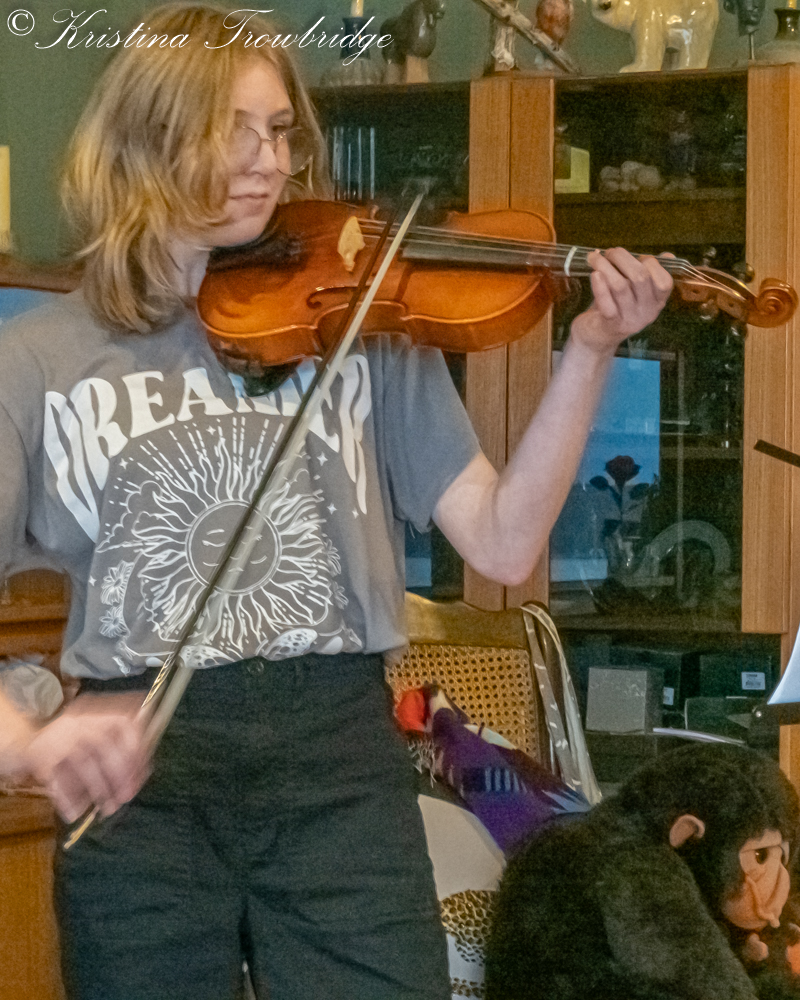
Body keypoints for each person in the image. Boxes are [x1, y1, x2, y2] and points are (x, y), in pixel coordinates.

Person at [2, 4, 673, 999]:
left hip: (339, 768)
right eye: (232, 129)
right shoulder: (38, 358)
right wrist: (31, 740)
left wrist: (590, 349)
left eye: (280, 130)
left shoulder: (361, 321)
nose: (269, 161)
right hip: (143, 784)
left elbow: (503, 541)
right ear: (147, 140)